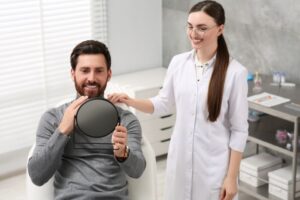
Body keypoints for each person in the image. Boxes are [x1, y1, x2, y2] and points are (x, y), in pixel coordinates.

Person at [108, 1, 248, 200]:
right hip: (180, 162)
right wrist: (129, 100)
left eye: (202, 28)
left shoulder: (235, 73)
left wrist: (231, 177)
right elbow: (162, 103)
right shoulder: (179, 63)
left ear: (220, 29)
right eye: (190, 26)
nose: (194, 33)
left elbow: (239, 130)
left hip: (213, 169)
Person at [28, 40, 146, 200]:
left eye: (99, 71)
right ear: (73, 73)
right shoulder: (53, 118)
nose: (91, 78)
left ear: (108, 74)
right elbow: (37, 176)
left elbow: (137, 171)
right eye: (85, 70)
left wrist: (122, 152)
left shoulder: (126, 119)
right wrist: (63, 130)